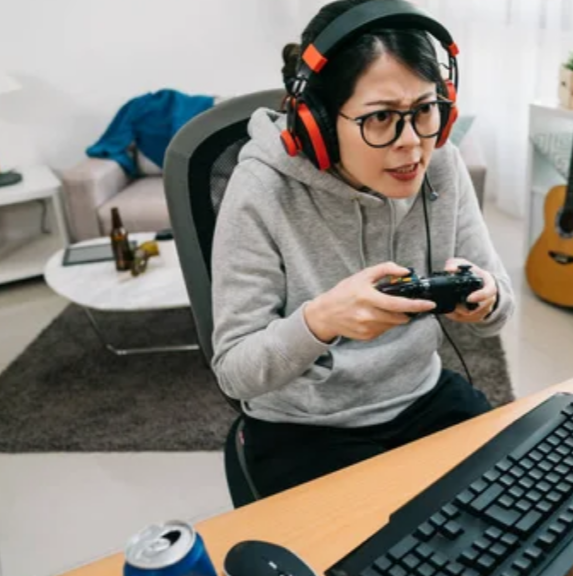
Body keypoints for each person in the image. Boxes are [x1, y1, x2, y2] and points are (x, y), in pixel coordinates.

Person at [211, 0, 515, 498]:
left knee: (525, 509)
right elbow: (235, 371)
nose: (412, 144)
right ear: (320, 124)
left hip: (421, 396)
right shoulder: (261, 189)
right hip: (306, 426)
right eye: (381, 119)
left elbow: (501, 310)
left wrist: (486, 298)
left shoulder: (441, 163)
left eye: (425, 110)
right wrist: (320, 322)